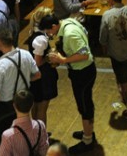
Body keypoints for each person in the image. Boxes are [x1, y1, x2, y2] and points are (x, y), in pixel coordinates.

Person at [0, 28, 41, 156]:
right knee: (22, 136)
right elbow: (37, 75)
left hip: (6, 107)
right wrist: (25, 79)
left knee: (1, 141)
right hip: (24, 103)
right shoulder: (26, 54)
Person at [49, 14, 98, 154]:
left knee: (84, 106)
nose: (49, 34)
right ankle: (88, 131)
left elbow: (84, 54)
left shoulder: (69, 33)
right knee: (86, 102)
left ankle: (88, 140)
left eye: (49, 31)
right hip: (86, 70)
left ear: (54, 26)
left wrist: (63, 60)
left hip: (82, 73)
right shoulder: (68, 21)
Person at [27, 12, 60, 128]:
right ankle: (41, 134)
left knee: (36, 105)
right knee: (42, 108)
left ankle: (36, 131)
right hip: (43, 77)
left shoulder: (34, 33)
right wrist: (49, 57)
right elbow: (37, 62)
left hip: (36, 76)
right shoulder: (41, 40)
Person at [0, 91, 50, 156]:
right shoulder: (40, 125)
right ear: (32, 105)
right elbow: (44, 151)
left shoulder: (7, 136)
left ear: (14, 106)